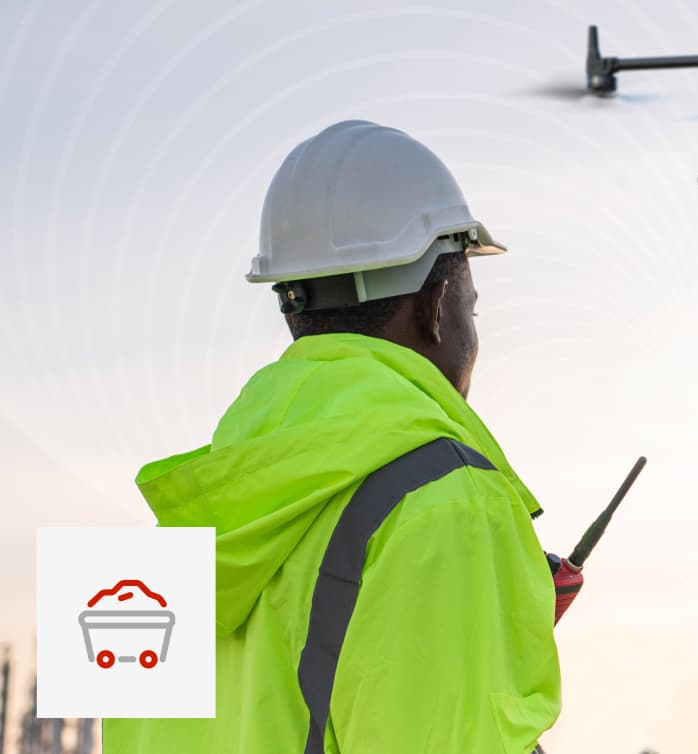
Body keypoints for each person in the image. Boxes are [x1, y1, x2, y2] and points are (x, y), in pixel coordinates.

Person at [104, 121, 563, 753]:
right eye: (470, 309)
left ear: (292, 307)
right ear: (434, 308)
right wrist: (497, 679)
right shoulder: (448, 500)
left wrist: (487, 629)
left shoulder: (160, 543)